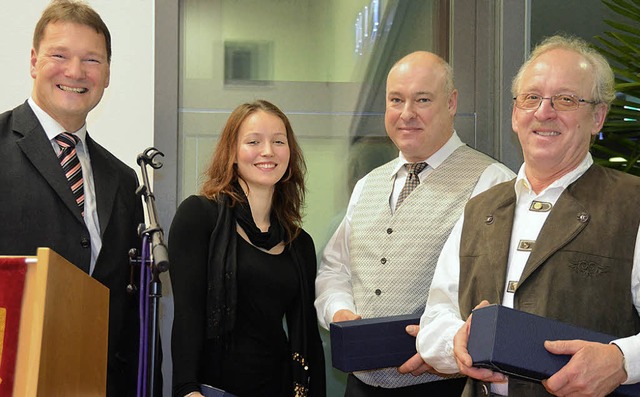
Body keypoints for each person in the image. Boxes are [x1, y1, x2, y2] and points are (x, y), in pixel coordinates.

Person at [416, 34, 640, 397]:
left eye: (565, 99)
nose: (543, 112)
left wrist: (622, 360)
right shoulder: (480, 207)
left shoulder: (632, 205)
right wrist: (453, 341)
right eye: (531, 98)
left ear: (597, 116)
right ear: (515, 114)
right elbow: (436, 317)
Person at [314, 51, 515, 396]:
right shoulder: (367, 185)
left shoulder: (493, 183)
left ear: (451, 103)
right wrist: (340, 312)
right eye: (396, 100)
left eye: (422, 99)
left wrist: (445, 350)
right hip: (360, 386)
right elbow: (335, 270)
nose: (407, 114)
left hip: (444, 387)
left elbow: (503, 293)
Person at [0, 1, 145, 395]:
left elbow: (129, 313)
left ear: (108, 73)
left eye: (92, 60)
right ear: (33, 61)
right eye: (59, 55)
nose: (76, 72)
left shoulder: (123, 179)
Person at [169, 99, 326, 397]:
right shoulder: (199, 217)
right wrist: (187, 389)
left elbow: (308, 340)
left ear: (289, 154)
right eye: (254, 141)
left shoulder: (299, 243)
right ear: (232, 153)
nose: (268, 151)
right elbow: (187, 315)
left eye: (278, 141)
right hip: (213, 389)